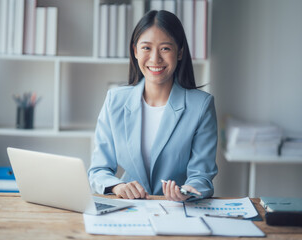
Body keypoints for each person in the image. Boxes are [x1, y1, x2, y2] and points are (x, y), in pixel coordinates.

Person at [88, 10, 217, 202]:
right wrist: (118, 186)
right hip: (128, 208)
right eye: (146, 48)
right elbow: (98, 170)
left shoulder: (201, 106)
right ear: (135, 51)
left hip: (178, 210)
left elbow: (202, 175)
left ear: (180, 52)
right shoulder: (115, 100)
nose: (155, 59)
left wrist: (187, 191)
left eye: (165, 48)